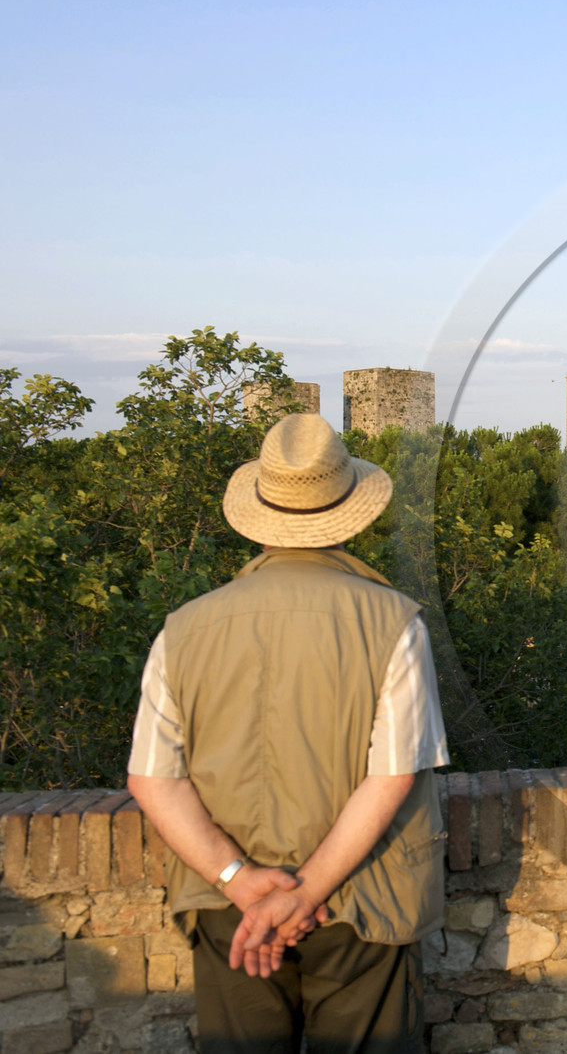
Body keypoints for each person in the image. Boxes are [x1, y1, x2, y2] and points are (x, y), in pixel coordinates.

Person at [128, 412, 449, 1053]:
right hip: (365, 902)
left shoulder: (183, 628)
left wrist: (243, 883)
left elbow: (151, 780)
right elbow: (390, 778)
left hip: (232, 914)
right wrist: (304, 895)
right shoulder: (394, 623)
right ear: (353, 507)